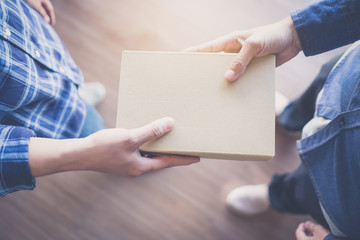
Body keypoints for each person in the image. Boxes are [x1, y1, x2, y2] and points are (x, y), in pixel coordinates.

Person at [186, 0, 360, 239]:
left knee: (307, 190)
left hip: (347, 192)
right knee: (320, 88)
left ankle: (276, 195)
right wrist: (296, 31)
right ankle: (291, 119)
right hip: (348, 76)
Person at [0, 0, 199, 197]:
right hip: (44, 122)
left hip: (36, 40)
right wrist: (83, 154)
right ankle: (133, 153)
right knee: (92, 127)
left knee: (70, 80)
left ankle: (76, 94)